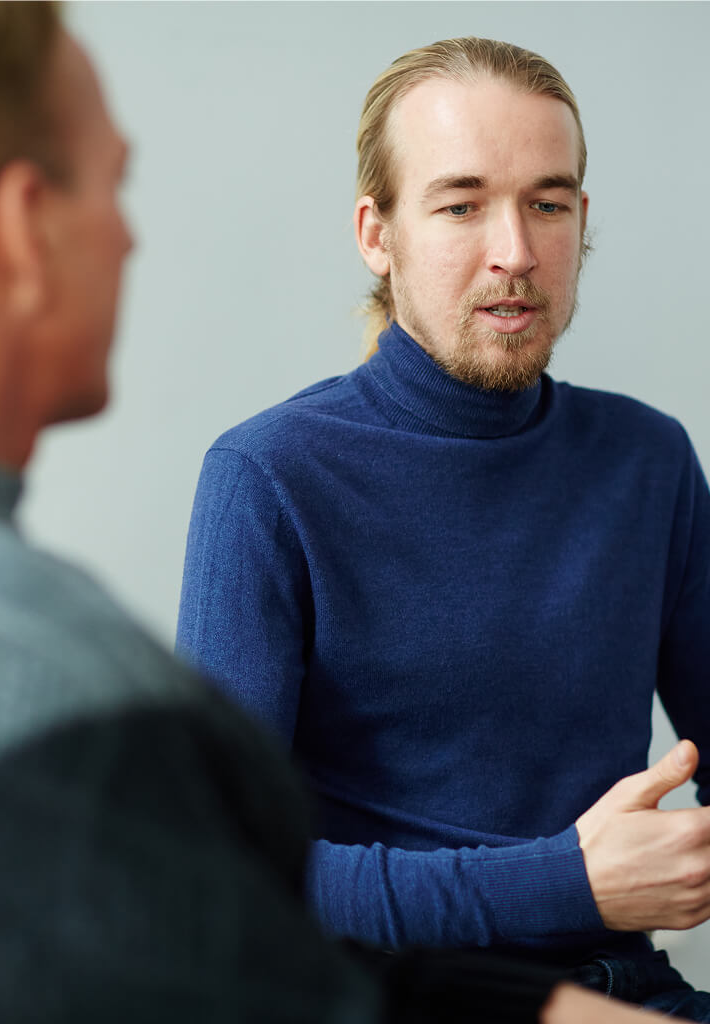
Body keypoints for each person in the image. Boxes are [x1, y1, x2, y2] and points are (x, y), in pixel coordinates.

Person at [0, 5, 656, 1022]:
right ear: (25, 224)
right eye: (114, 184)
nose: (129, 235)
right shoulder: (27, 679)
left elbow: (245, 962)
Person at [177, 35, 710, 1021]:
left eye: (546, 203)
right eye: (461, 204)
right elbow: (218, 874)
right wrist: (566, 879)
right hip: (398, 1002)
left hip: (636, 994)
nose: (514, 251)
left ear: (580, 220)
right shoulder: (267, 477)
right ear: (377, 234)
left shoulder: (649, 462)